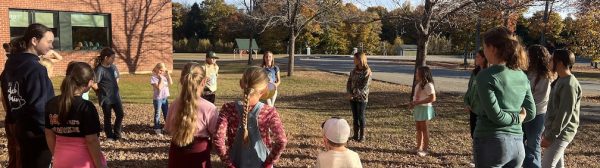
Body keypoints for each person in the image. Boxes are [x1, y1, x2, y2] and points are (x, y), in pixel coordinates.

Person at [474, 26, 536, 167]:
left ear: (493, 49)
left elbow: (496, 116)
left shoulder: (486, 76)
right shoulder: (521, 75)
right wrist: (518, 117)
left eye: (484, 47)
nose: (483, 51)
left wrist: (516, 117)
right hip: (518, 144)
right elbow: (531, 112)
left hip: (491, 142)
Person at [0, 23, 55, 168]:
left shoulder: (10, 65)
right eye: (48, 42)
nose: (51, 46)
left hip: (18, 128)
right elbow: (40, 108)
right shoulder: (36, 69)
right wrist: (50, 132)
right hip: (37, 135)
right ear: (34, 41)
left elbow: (7, 97)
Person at [215, 67, 288, 168]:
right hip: (261, 163)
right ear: (264, 91)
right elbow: (282, 141)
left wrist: (229, 164)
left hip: (236, 162)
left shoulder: (228, 108)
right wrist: (268, 163)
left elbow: (218, 139)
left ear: (241, 84)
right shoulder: (269, 111)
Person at [44, 62, 107, 168]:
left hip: (60, 158)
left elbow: (49, 134)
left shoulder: (51, 103)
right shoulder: (86, 107)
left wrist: (56, 154)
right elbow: (91, 140)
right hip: (83, 161)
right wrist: (100, 166)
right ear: (89, 83)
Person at [165, 62, 219, 168]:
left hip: (176, 153)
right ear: (204, 82)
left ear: (181, 81)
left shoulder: (174, 104)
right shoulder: (210, 108)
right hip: (198, 155)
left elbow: (168, 129)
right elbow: (216, 135)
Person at [541, 49, 581, 168]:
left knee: (546, 166)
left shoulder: (569, 85)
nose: (549, 62)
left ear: (560, 63)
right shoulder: (560, 80)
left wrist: (550, 136)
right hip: (555, 132)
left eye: (551, 59)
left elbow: (564, 114)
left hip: (561, 134)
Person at [523, 45, 553, 168]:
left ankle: (534, 165)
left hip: (537, 114)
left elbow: (540, 98)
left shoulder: (545, 75)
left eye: (528, 55)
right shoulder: (526, 72)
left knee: (533, 144)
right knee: (519, 141)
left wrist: (527, 107)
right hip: (523, 112)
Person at [92, 47, 125, 141]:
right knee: (107, 116)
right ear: (106, 57)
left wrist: (114, 88)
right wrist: (100, 92)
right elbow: (94, 84)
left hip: (115, 96)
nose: (113, 60)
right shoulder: (99, 70)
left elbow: (117, 77)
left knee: (120, 114)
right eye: (112, 58)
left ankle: (117, 134)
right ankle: (109, 136)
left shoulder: (113, 67)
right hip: (106, 98)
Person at [464, 50, 487, 166]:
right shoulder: (475, 73)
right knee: (474, 135)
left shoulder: (489, 73)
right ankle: (477, 157)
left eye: (478, 57)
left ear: (484, 58)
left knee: (482, 136)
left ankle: (481, 159)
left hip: (483, 111)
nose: (475, 59)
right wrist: (467, 102)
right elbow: (469, 90)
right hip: (473, 109)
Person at [408, 66, 436, 157]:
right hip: (418, 108)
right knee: (418, 129)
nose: (416, 74)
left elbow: (432, 98)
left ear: (423, 74)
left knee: (424, 129)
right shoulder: (419, 84)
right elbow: (417, 97)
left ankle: (425, 149)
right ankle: (418, 147)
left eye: (417, 73)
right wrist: (413, 103)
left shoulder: (429, 85)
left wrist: (419, 102)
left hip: (425, 109)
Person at [346, 52, 372, 142]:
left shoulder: (367, 71)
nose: (354, 61)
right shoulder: (354, 70)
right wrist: (349, 92)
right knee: (355, 117)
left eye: (355, 59)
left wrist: (353, 95)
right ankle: (355, 135)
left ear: (360, 59)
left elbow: (364, 87)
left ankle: (362, 136)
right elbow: (349, 82)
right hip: (352, 98)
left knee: (361, 116)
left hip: (361, 98)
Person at [151, 63, 172, 135]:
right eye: (160, 70)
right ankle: (157, 128)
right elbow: (159, 88)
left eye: (162, 71)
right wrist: (160, 79)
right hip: (158, 99)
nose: (161, 72)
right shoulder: (154, 78)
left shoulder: (164, 77)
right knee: (158, 113)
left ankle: (168, 127)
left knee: (166, 113)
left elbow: (171, 83)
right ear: (156, 69)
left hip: (164, 98)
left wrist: (168, 74)